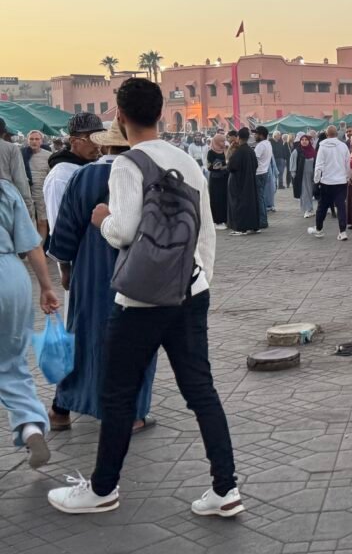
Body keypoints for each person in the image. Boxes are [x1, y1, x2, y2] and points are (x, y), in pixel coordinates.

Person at [47, 77, 242, 517]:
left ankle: (102, 490)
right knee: (201, 391)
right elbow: (206, 231)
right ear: (159, 113)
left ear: (120, 116)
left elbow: (124, 232)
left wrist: (102, 219)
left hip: (140, 300)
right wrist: (199, 279)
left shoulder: (127, 164)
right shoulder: (186, 161)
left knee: (117, 394)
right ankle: (225, 488)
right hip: (189, 290)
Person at [47, 122, 157, 434]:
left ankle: (61, 409)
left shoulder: (84, 175)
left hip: (90, 269)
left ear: (105, 146)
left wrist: (67, 270)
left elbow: (66, 228)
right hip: (135, 267)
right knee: (134, 339)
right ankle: (130, 413)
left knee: (83, 337)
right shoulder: (146, 173)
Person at [0, 177, 59, 469]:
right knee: (12, 361)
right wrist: (47, 287)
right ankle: (30, 426)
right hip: (11, 275)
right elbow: (32, 244)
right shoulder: (5, 189)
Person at [44, 113, 103, 231]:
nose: (97, 145)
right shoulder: (60, 176)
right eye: (91, 139)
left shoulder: (99, 166)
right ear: (73, 141)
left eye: (100, 138)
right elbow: (58, 225)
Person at [309, 126, 350, 241]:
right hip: (341, 181)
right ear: (337, 134)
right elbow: (347, 164)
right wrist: (347, 177)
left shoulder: (322, 147)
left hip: (326, 181)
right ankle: (342, 232)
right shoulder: (343, 146)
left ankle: (319, 229)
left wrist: (316, 181)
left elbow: (319, 166)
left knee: (322, 206)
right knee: (341, 206)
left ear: (327, 135)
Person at [227, 127, 260, 236]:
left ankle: (240, 228)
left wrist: (229, 153)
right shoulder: (250, 150)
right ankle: (253, 226)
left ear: (238, 137)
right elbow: (255, 165)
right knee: (251, 203)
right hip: (250, 182)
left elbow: (231, 166)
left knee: (238, 203)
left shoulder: (239, 152)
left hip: (239, 183)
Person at [23, 130, 52, 240]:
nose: (34, 141)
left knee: (42, 221)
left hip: (42, 194)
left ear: (41, 141)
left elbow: (51, 175)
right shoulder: (21, 154)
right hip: (26, 193)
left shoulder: (49, 156)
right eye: (31, 139)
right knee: (28, 222)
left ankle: (40, 248)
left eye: (37, 139)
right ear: (27, 141)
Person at [0, 118, 32, 215]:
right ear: (4, 133)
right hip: (5, 201)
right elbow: (20, 178)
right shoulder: (11, 148)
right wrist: (28, 204)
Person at [206, 134, 229, 230]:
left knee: (224, 199)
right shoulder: (211, 152)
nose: (223, 143)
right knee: (216, 199)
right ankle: (217, 221)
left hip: (224, 177)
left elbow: (228, 162)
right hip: (215, 179)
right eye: (221, 141)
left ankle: (224, 219)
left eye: (224, 141)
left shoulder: (225, 151)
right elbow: (209, 166)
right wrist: (220, 166)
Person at [290, 134, 317, 218]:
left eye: (306, 140)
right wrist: (294, 174)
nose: (304, 141)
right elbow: (292, 163)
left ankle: (310, 209)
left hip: (312, 176)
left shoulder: (313, 151)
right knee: (305, 193)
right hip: (302, 176)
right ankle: (307, 210)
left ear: (309, 141)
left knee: (311, 193)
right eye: (302, 140)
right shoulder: (297, 151)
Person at [253, 126, 274, 223]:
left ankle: (262, 221)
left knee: (259, 198)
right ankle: (263, 219)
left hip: (258, 173)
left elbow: (254, 159)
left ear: (261, 135)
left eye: (256, 134)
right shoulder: (268, 143)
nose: (254, 136)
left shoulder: (260, 145)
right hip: (264, 172)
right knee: (261, 197)